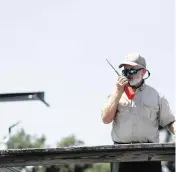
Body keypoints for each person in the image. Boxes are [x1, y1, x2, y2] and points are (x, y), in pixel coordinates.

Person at [101, 53, 176, 172]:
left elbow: (170, 121)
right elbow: (106, 119)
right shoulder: (115, 94)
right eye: (125, 71)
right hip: (120, 155)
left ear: (143, 72)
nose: (128, 74)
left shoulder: (156, 95)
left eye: (132, 71)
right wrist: (118, 93)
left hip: (150, 156)